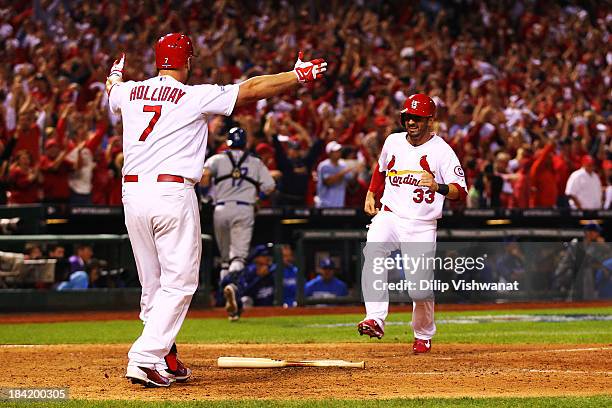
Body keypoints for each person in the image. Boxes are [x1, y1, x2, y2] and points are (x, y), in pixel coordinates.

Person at [106, 33, 326, 387]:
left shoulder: (128, 90)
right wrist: (296, 76)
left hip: (132, 192)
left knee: (154, 284)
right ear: (187, 61)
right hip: (171, 191)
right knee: (179, 283)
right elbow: (252, 88)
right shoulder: (193, 95)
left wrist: (115, 74)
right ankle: (145, 358)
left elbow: (111, 87)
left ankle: (165, 356)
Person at [357, 94, 467, 354]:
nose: (411, 121)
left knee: (419, 289)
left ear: (430, 120)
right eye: (408, 116)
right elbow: (381, 169)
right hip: (391, 214)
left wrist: (438, 186)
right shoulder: (393, 141)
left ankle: (423, 334)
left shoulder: (442, 151)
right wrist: (372, 192)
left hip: (421, 222)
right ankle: (375, 318)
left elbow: (460, 191)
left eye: (417, 117)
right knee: (373, 250)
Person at [201, 127, 275, 278]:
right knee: (238, 257)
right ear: (245, 143)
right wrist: (258, 199)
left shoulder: (217, 159)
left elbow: (204, 175)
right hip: (244, 208)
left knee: (225, 260)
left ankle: (223, 294)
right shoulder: (255, 162)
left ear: (228, 142)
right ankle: (232, 288)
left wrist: (204, 196)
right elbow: (270, 186)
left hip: (221, 209)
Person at [220, 244, 277, 321]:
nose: (266, 258)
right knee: (246, 299)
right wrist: (259, 277)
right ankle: (236, 313)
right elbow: (244, 292)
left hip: (272, 306)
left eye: (267, 256)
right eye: (263, 256)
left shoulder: (272, 269)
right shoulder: (249, 271)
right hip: (253, 306)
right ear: (256, 258)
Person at [315, 141, 358, 208]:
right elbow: (328, 182)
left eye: (339, 151)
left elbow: (351, 183)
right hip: (324, 205)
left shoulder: (343, 165)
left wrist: (356, 173)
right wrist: (343, 172)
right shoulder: (324, 166)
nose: (339, 153)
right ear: (330, 153)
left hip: (339, 205)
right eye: (336, 151)